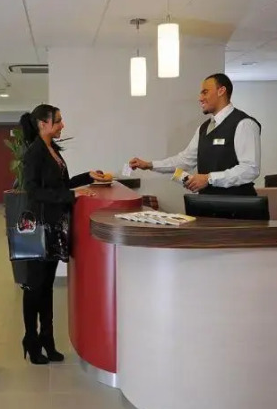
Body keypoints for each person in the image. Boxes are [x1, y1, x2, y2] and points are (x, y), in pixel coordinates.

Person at [19, 104, 110, 365]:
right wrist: (71, 195)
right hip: (38, 229)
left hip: (54, 226)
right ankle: (31, 339)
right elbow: (34, 192)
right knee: (35, 287)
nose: (62, 125)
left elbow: (61, 185)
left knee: (46, 286)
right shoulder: (34, 153)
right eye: (58, 121)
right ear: (43, 124)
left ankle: (47, 339)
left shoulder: (53, 149)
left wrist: (85, 178)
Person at [129, 73, 261, 195]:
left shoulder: (244, 124)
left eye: (205, 92)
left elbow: (250, 169)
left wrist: (209, 178)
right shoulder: (203, 128)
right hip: (208, 202)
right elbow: (185, 160)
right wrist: (149, 165)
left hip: (237, 205)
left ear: (221, 91)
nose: (200, 98)